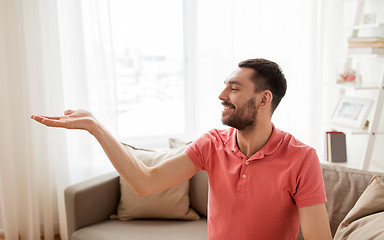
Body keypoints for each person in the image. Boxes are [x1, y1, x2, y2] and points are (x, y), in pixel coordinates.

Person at [31, 58, 332, 240]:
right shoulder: (212, 144)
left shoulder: (300, 157)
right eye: (225, 86)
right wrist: (96, 127)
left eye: (235, 88)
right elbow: (145, 182)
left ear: (264, 99)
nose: (222, 95)